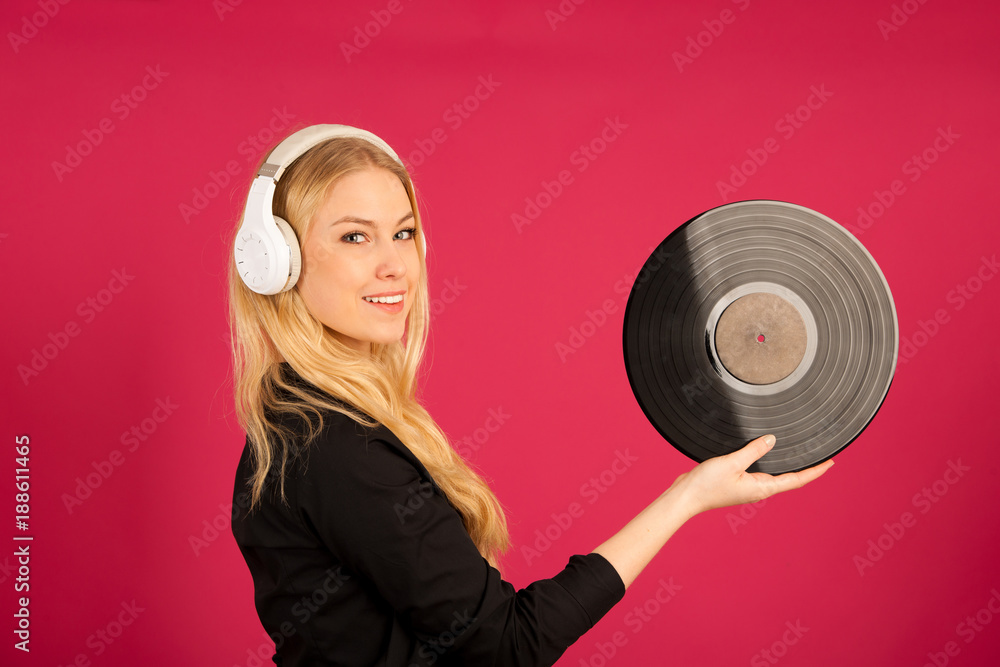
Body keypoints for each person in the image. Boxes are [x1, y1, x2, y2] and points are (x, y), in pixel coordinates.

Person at [227, 124, 834, 666]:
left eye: (404, 233)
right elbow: (507, 646)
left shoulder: (303, 422)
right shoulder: (337, 448)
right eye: (356, 237)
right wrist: (687, 498)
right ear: (278, 261)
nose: (396, 266)